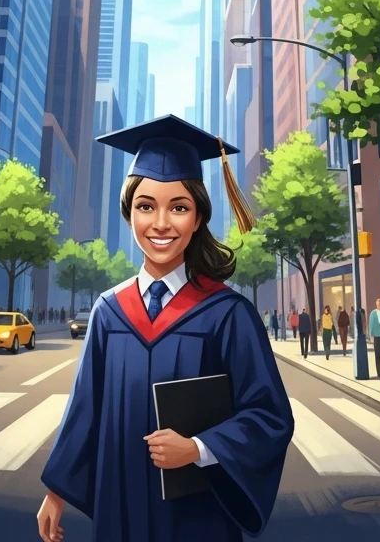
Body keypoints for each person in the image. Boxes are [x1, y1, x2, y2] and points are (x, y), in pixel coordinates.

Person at [37, 114, 294, 542]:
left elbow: (269, 416)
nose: (160, 223)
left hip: (198, 513)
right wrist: (56, 492)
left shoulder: (227, 313)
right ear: (128, 214)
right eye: (145, 206)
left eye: (178, 207)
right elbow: (85, 410)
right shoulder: (109, 311)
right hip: (120, 505)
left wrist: (198, 448)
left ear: (197, 219)